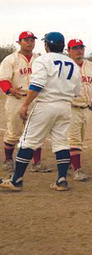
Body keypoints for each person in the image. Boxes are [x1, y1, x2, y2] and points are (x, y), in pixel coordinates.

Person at [0, 33, 78, 192]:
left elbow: (37, 84)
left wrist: (25, 105)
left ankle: (16, 180)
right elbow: (77, 91)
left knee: (27, 141)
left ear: (47, 45)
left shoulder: (42, 59)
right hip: (65, 106)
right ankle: (61, 180)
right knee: (61, 142)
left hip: (45, 105)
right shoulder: (72, 63)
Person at [1, 31, 46, 172]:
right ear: (19, 42)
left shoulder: (39, 59)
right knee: (14, 131)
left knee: (36, 131)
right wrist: (9, 90)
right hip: (16, 98)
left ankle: (37, 162)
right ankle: (8, 160)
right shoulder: (10, 59)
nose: (30, 42)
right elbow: (3, 79)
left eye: (32, 40)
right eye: (26, 40)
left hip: (35, 98)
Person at [66, 39, 92, 181]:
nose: (79, 51)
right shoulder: (65, 67)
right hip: (70, 107)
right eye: (75, 48)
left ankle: (68, 165)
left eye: (81, 48)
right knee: (74, 139)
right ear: (68, 50)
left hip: (85, 108)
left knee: (79, 138)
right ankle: (77, 170)